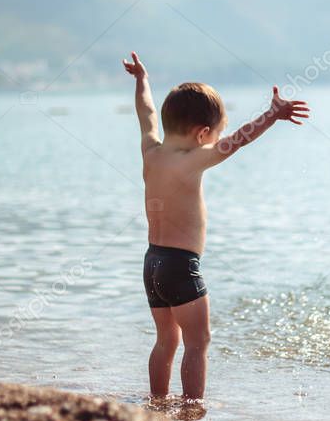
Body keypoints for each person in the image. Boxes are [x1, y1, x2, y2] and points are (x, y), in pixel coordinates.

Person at [122, 51, 309, 401]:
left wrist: (142, 81)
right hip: (180, 265)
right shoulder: (192, 160)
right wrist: (272, 114)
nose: (217, 140)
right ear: (202, 133)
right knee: (198, 342)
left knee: (166, 340)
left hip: (152, 263)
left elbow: (146, 114)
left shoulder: (151, 151)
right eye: (214, 135)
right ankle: (193, 408)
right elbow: (238, 140)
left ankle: (158, 402)